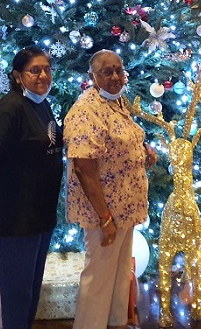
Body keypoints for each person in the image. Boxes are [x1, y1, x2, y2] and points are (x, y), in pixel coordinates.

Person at [64, 49, 157, 329]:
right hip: (104, 213)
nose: (115, 76)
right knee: (99, 277)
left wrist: (142, 150)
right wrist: (105, 220)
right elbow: (84, 168)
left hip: (125, 209)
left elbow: (118, 141)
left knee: (118, 274)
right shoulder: (86, 110)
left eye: (119, 70)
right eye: (107, 71)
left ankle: (116, 322)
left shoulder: (117, 102)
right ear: (93, 77)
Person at [0, 46, 64, 329]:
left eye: (47, 69)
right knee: (16, 293)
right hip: (15, 218)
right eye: (34, 70)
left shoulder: (41, 104)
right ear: (17, 75)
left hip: (40, 216)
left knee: (31, 290)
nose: (43, 76)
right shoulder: (8, 110)